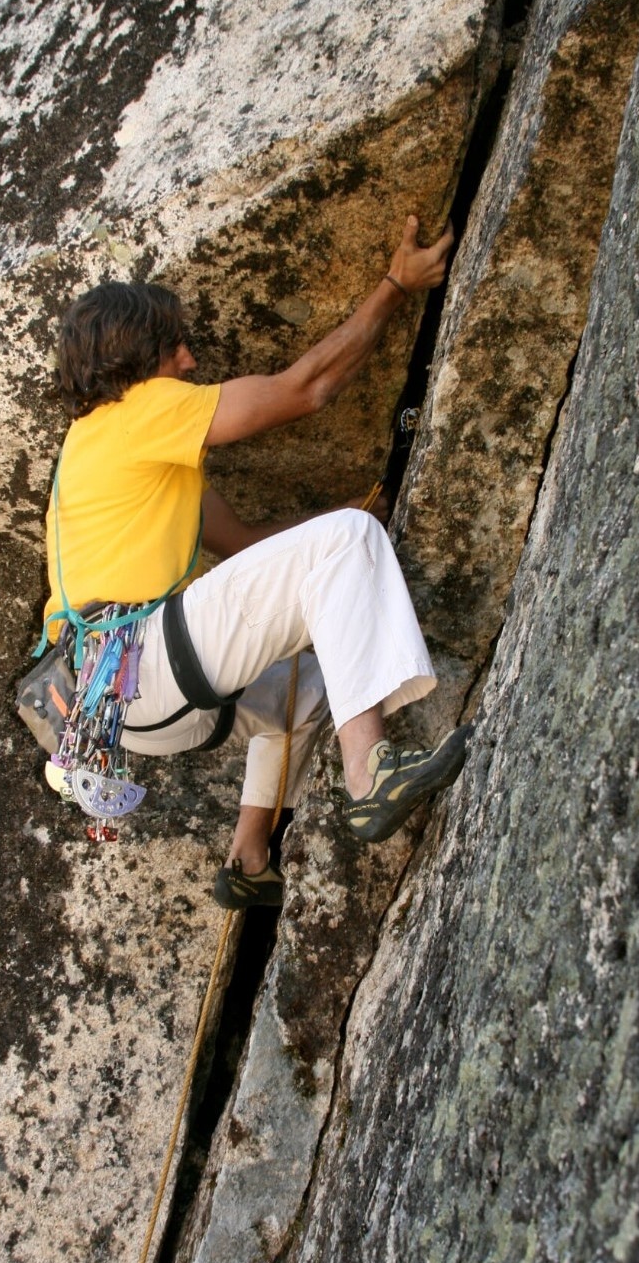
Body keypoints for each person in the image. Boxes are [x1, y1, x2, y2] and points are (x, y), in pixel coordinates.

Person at [42, 214, 467, 909]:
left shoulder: (106, 457)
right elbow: (307, 389)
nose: (188, 361)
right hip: (146, 661)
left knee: (319, 666)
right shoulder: (136, 412)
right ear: (137, 354)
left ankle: (249, 853)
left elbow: (243, 542)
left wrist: (347, 512)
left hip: (127, 715)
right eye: (175, 345)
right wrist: (396, 285)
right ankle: (371, 776)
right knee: (347, 540)